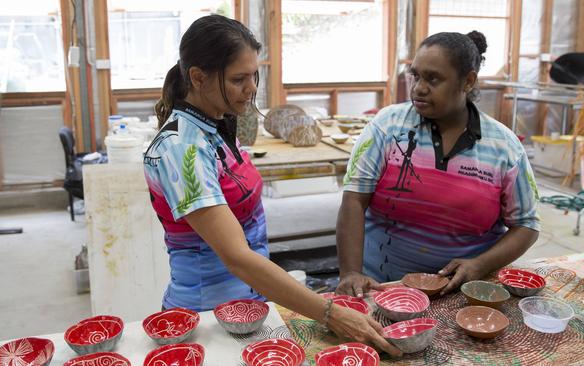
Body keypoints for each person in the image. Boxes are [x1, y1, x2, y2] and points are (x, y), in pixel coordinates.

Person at [143, 14, 401, 356]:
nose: (251, 88)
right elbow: (236, 256)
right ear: (197, 77)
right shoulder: (181, 148)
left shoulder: (217, 124)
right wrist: (330, 313)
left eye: (254, 75)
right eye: (238, 79)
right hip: (208, 315)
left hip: (249, 303)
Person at [336, 31, 540, 297]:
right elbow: (353, 200)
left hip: (462, 291)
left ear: (467, 81)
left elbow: (526, 224)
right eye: (416, 75)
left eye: (433, 79)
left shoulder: (504, 147)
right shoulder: (387, 127)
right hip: (381, 286)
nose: (419, 88)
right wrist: (351, 273)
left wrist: (480, 265)